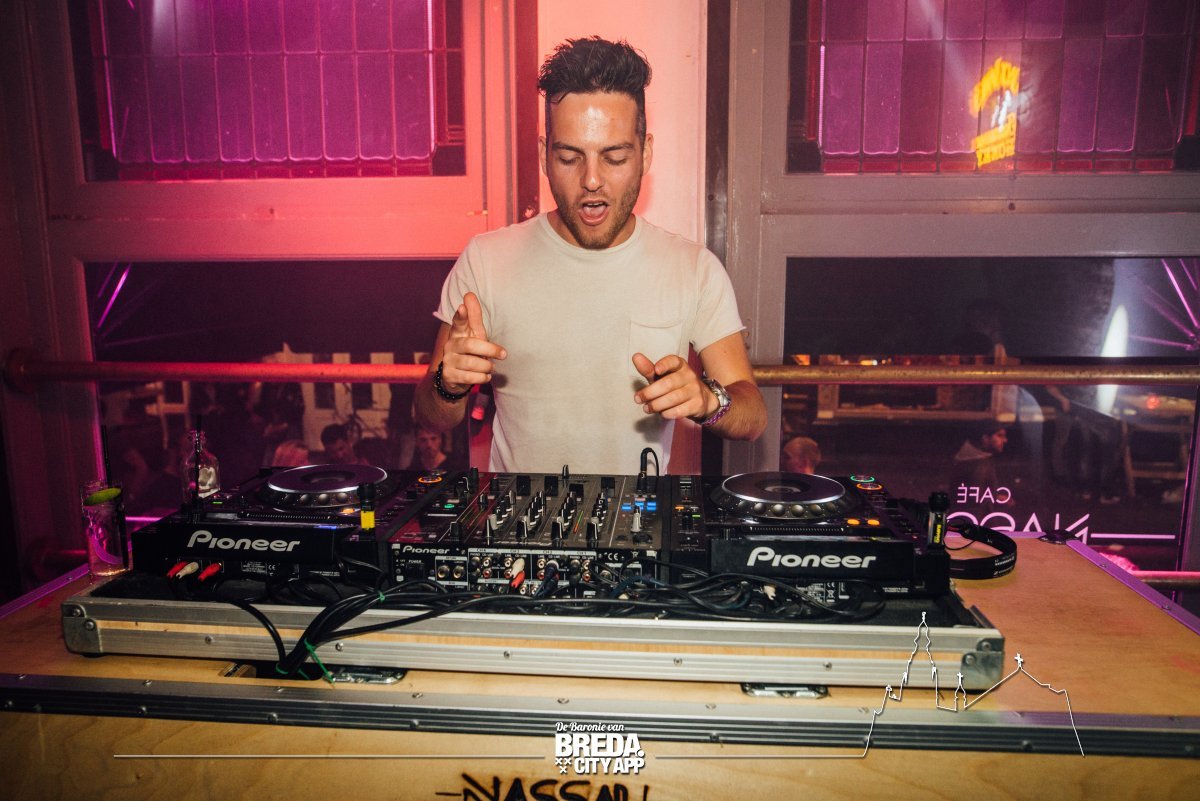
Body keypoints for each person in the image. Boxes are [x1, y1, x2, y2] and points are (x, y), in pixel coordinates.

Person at [413, 37, 766, 474]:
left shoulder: (693, 268)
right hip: (519, 518)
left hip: (636, 517)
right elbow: (431, 415)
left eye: (614, 157)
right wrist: (447, 385)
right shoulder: (486, 261)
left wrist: (710, 401)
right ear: (544, 155)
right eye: (569, 157)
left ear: (645, 154)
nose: (592, 179)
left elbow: (752, 415)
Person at [951, 421, 1008, 493]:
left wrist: (996, 497)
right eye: (1000, 435)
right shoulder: (979, 465)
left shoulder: (972, 461)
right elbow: (977, 497)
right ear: (985, 438)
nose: (1005, 440)